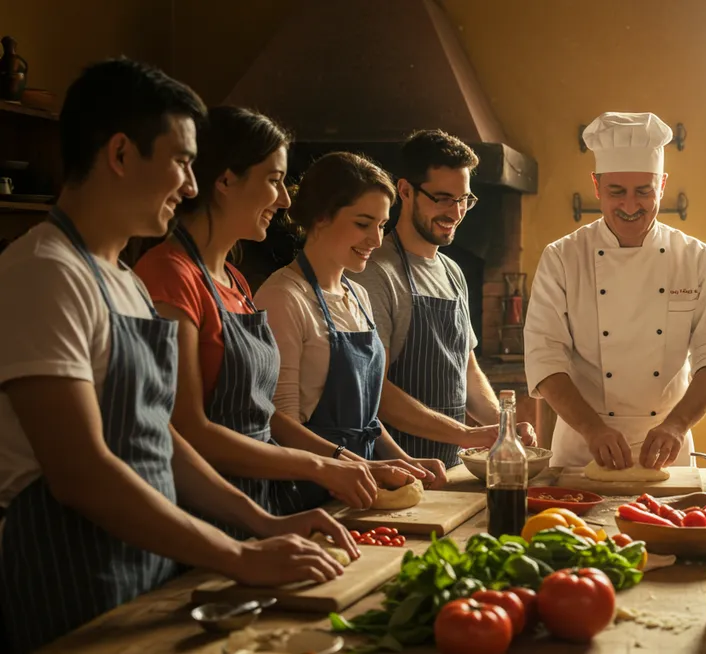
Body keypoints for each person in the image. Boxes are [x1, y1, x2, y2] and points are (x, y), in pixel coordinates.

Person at [0, 59, 352, 654]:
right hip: (70, 573)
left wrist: (264, 525)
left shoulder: (125, 281)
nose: (192, 186)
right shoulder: (43, 274)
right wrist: (239, 554)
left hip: (149, 564)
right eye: (183, 162)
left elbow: (160, 436)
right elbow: (81, 473)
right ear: (119, 153)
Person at [134, 107, 421, 534]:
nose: (287, 200)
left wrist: (353, 463)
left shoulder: (234, 280)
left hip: (261, 497)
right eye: (274, 180)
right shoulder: (168, 276)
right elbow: (188, 430)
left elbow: (261, 416)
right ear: (226, 180)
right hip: (206, 509)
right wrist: (325, 466)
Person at [524, 112, 706, 470]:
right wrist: (593, 429)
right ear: (596, 186)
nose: (630, 205)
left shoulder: (695, 257)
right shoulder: (562, 257)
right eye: (616, 192)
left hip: (668, 450)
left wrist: (677, 424)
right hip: (582, 449)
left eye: (644, 191)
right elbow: (544, 357)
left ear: (663, 184)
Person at [256, 152, 447, 512]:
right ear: (321, 216)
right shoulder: (283, 297)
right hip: (309, 493)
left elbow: (366, 420)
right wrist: (357, 465)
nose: (376, 240)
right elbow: (279, 423)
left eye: (381, 225)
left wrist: (405, 460)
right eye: (363, 223)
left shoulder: (357, 294)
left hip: (364, 485)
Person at [350, 130, 535, 469]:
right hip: (398, 467)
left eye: (464, 199)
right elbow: (376, 392)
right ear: (405, 191)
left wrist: (504, 428)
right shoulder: (375, 272)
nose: (456, 212)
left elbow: (467, 370)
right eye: (443, 198)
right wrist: (466, 434)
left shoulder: (452, 273)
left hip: (450, 467)